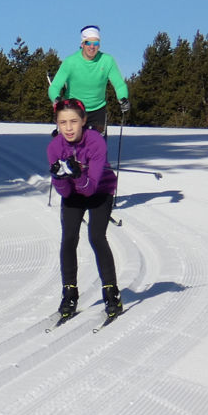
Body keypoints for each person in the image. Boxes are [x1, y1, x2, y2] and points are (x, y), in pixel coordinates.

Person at [47, 98, 123, 319]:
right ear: (57, 124)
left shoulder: (96, 142)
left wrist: (78, 174)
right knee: (69, 237)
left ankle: (111, 292)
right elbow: (64, 193)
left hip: (99, 190)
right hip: (73, 193)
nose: (68, 128)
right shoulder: (54, 147)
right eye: (63, 123)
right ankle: (69, 293)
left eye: (73, 121)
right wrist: (60, 176)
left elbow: (90, 189)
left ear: (83, 121)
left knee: (97, 237)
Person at [48, 25, 130, 135]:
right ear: (82, 44)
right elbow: (54, 86)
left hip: (98, 111)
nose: (92, 46)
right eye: (88, 43)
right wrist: (56, 99)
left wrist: (123, 98)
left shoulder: (107, 61)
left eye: (96, 43)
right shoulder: (70, 62)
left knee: (97, 149)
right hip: (73, 110)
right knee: (73, 148)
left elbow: (119, 84)